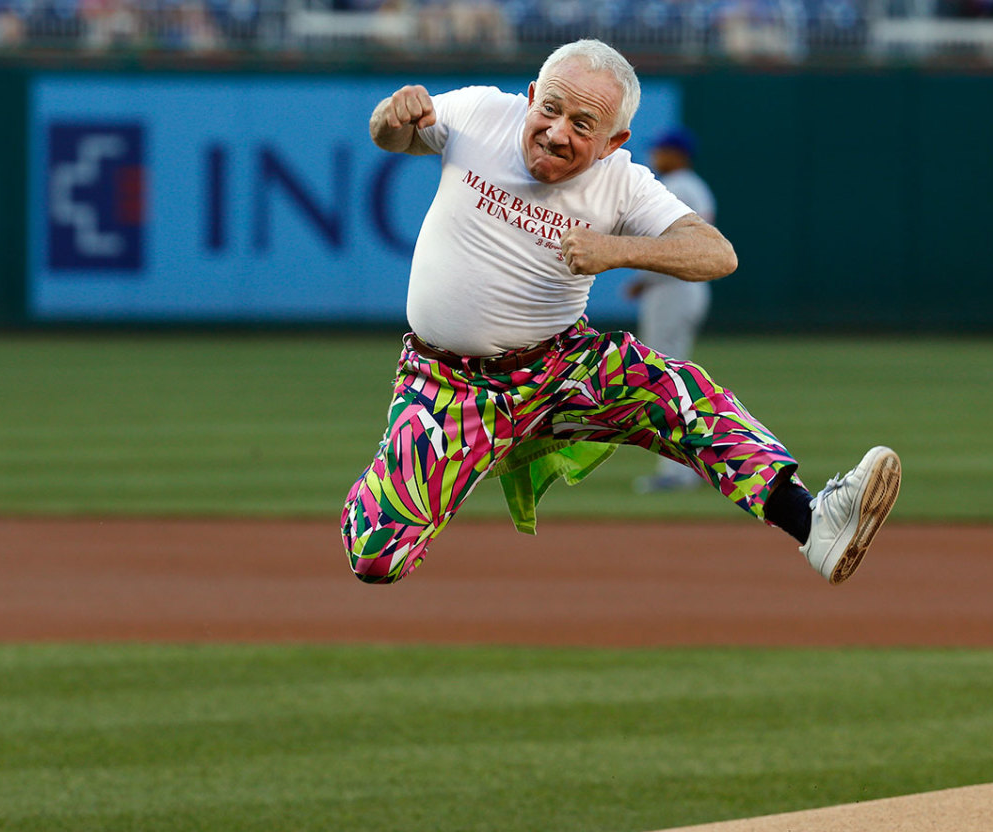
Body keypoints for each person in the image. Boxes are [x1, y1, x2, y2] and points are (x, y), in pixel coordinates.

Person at [342, 38, 901, 587]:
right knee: (374, 559)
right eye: (551, 109)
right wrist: (393, 116)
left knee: (675, 393)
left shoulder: (623, 182)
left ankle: (814, 523)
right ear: (532, 95)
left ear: (614, 141)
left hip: (559, 371)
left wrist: (619, 250)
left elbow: (717, 254)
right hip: (447, 386)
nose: (558, 132)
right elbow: (392, 136)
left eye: (584, 125)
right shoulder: (481, 112)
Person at [626, 126, 717, 494]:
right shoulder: (696, 187)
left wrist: (643, 278)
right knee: (673, 382)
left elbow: (673, 249)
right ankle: (684, 467)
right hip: (684, 289)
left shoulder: (678, 186)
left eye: (661, 150)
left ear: (677, 153)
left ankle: (678, 472)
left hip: (673, 290)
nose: (655, 155)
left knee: (667, 385)